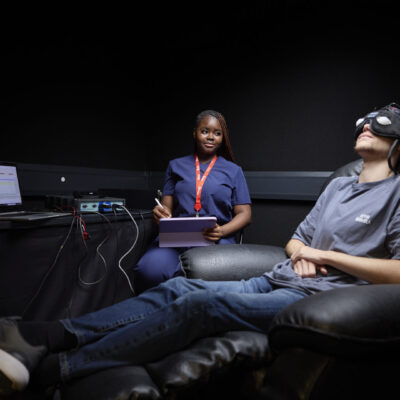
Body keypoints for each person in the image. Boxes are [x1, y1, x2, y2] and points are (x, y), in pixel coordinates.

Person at [1, 102, 400, 396]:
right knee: (176, 288)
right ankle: (45, 334)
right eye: (364, 123)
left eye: (378, 125)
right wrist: (301, 252)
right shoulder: (337, 186)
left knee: (199, 306)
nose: (365, 126)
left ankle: (55, 368)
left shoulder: (395, 194)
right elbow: (296, 238)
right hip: (277, 279)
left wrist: (322, 255)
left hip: (321, 299)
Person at [133, 110, 252, 293]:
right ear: (194, 133)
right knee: (149, 270)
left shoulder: (233, 170)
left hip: (214, 238)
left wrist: (222, 231)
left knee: (212, 277)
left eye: (217, 133)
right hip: (177, 238)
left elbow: (245, 214)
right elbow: (166, 207)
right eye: (205, 131)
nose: (211, 137)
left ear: (222, 138)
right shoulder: (175, 166)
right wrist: (160, 213)